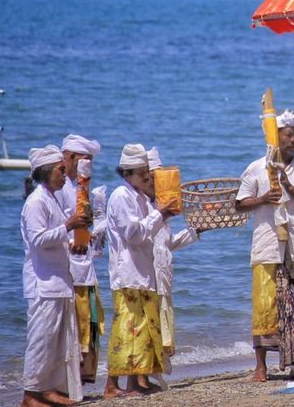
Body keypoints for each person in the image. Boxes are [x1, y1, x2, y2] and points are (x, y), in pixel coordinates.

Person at [235, 109, 294, 382]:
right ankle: (260, 366)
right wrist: (263, 199)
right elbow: (239, 204)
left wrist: (289, 186)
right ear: (276, 137)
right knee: (265, 304)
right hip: (268, 245)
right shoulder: (256, 167)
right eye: (288, 134)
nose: (293, 139)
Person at [20, 145, 90, 406]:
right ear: (47, 172)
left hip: (59, 279)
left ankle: (50, 388)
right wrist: (69, 225)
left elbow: (55, 236)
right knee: (41, 339)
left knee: (59, 341)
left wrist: (72, 242)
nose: (64, 174)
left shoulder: (51, 199)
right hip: (43, 282)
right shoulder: (36, 202)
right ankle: (30, 394)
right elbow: (38, 240)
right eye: (61, 170)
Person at [103, 143, 167, 398]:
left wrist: (162, 213)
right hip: (127, 272)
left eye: (146, 172)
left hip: (142, 271)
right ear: (126, 173)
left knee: (140, 331)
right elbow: (133, 234)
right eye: (141, 172)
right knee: (125, 330)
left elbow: (150, 231)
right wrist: (160, 213)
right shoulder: (121, 195)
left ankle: (133, 384)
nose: (147, 176)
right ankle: (111, 386)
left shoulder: (140, 198)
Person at [141, 146, 199, 391]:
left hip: (163, 276)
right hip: (148, 277)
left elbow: (168, 244)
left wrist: (196, 230)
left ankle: (154, 372)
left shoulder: (158, 209)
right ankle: (144, 375)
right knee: (149, 324)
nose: (156, 184)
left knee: (162, 322)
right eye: (152, 179)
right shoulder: (142, 207)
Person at [54, 134, 106, 384]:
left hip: (84, 267)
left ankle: (78, 382)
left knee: (89, 324)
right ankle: (66, 383)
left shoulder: (78, 189)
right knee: (73, 327)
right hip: (68, 269)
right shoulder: (60, 190)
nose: (87, 167)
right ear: (71, 158)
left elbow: (83, 229)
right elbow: (57, 228)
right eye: (84, 161)